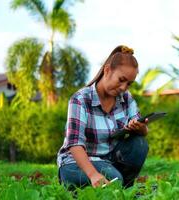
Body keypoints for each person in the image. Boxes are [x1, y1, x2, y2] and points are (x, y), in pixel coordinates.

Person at [57, 45, 149, 189]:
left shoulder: (126, 99)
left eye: (129, 84)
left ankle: (125, 187)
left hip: (108, 160)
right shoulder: (80, 99)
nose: (123, 88)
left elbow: (143, 133)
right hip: (75, 164)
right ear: (107, 70)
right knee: (113, 181)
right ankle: (112, 183)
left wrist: (141, 128)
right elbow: (74, 144)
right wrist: (93, 174)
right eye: (121, 80)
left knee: (139, 143)